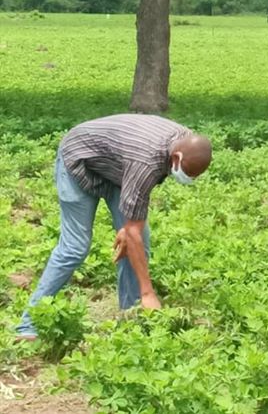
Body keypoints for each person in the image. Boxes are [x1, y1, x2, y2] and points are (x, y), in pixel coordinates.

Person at [16, 114, 212, 340]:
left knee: (137, 244)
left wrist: (128, 225)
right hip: (79, 161)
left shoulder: (183, 142)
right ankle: (27, 326)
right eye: (187, 172)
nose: (187, 178)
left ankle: (131, 320)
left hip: (116, 169)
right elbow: (142, 173)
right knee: (75, 247)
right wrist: (148, 291)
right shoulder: (146, 160)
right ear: (177, 157)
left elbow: (141, 190)